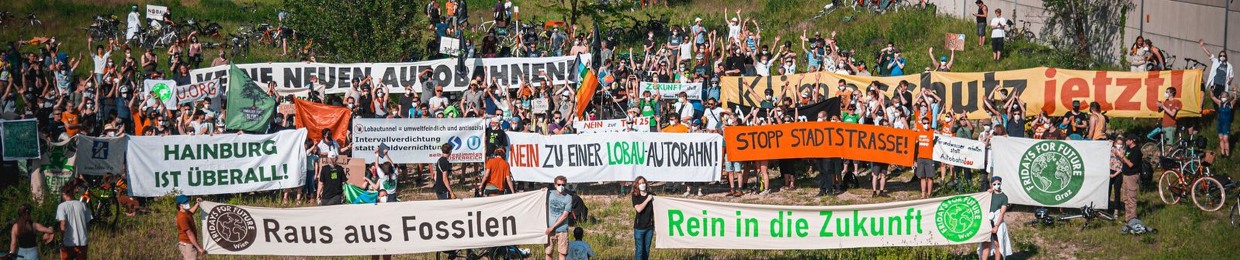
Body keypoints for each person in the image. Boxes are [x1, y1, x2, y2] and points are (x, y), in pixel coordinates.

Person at [979, 176, 1012, 260]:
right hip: (987, 221)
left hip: (997, 222)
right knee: (985, 244)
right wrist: (987, 193)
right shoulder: (989, 194)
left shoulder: (1004, 197)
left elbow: (1002, 213)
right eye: (994, 184)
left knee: (997, 244)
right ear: (991, 184)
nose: (997, 185)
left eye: (998, 183)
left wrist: (996, 226)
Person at [56, 185, 92, 260]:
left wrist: (61, 240)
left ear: (63, 194)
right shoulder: (82, 205)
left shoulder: (61, 206)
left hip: (68, 242)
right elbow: (88, 223)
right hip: (82, 242)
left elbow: (63, 224)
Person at [1116, 134, 1144, 221]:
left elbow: (1131, 164)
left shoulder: (1137, 151)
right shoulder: (1128, 149)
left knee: (1131, 198)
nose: (1126, 141)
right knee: (1125, 198)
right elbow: (1125, 161)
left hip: (1132, 176)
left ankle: (1133, 218)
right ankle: (1128, 218)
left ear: (1132, 141)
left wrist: (1122, 156)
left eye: (1127, 140)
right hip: (1125, 175)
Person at [546, 176, 573, 260]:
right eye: (559, 184)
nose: (561, 186)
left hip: (562, 230)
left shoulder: (568, 197)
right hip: (549, 229)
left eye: (563, 185)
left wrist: (552, 227)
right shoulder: (549, 193)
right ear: (555, 185)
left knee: (562, 254)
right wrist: (542, 191)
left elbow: (565, 215)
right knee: (548, 253)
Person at [1201, 39, 1234, 105]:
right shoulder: (1216, 61)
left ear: (1226, 57)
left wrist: (1230, 81)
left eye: (1223, 56)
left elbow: (1231, 76)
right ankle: (1218, 108)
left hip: (1223, 85)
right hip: (1215, 84)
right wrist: (1202, 46)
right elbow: (1209, 54)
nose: (1222, 57)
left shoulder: (1229, 66)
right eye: (1221, 55)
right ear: (1219, 56)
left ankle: (1221, 110)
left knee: (1223, 99)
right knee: (1213, 97)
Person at [630, 176, 654, 260]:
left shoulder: (652, 195)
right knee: (639, 251)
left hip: (649, 228)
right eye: (640, 183)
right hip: (639, 228)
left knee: (646, 251)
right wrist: (647, 200)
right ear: (637, 185)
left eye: (643, 183)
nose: (642, 185)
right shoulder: (635, 196)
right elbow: (639, 209)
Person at [175, 195, 206, 259]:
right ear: (180, 205)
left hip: (189, 243)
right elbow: (189, 233)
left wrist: (198, 203)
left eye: (187, 201)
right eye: (185, 202)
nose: (187, 203)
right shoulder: (182, 217)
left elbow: (191, 212)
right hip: (187, 244)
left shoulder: (186, 212)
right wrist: (199, 248)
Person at [915, 117, 936, 199]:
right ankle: (923, 194)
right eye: (924, 123)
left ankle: (929, 194)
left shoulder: (933, 132)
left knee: (930, 177)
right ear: (922, 124)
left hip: (930, 158)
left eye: (928, 123)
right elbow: (913, 142)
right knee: (922, 177)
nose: (926, 124)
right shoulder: (918, 132)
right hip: (920, 157)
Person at [1210, 90, 1234, 157]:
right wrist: (1211, 90)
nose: (1223, 98)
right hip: (1220, 123)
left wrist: (1234, 93)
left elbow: (1235, 99)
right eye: (1222, 97)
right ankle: (1222, 153)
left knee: (1225, 139)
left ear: (1228, 97)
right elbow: (1212, 96)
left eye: (1225, 97)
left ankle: (1227, 153)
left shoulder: (1230, 104)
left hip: (1226, 124)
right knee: (1221, 138)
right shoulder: (1220, 103)